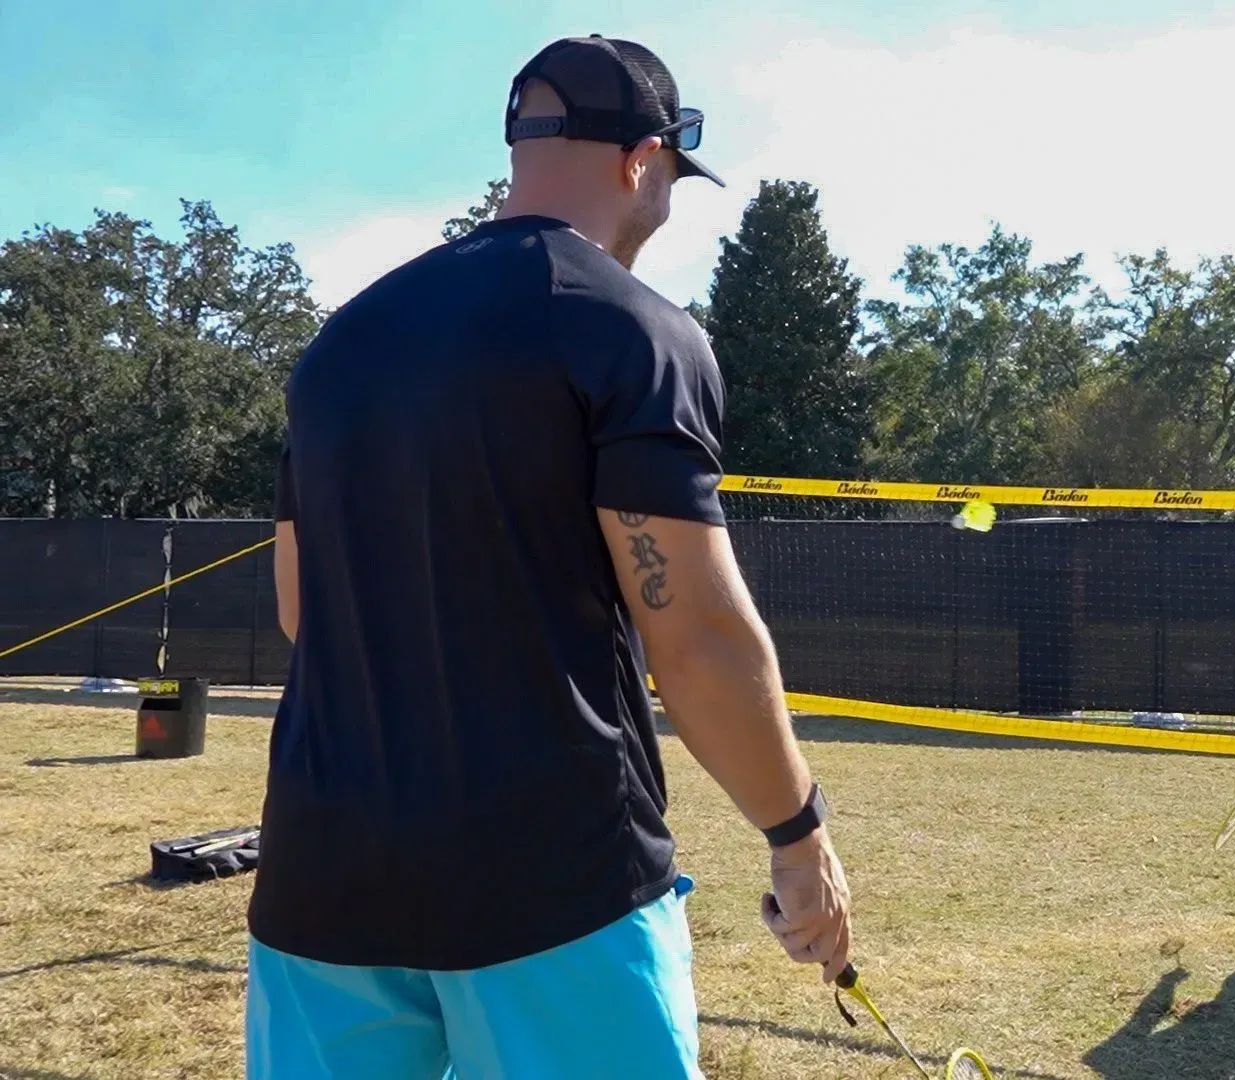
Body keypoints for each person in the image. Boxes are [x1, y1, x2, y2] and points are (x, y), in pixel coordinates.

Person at [247, 35, 851, 1078]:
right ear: (642, 160)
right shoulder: (631, 329)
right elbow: (697, 639)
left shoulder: (341, 344)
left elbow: (303, 613)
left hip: (318, 885)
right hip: (553, 890)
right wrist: (798, 839)